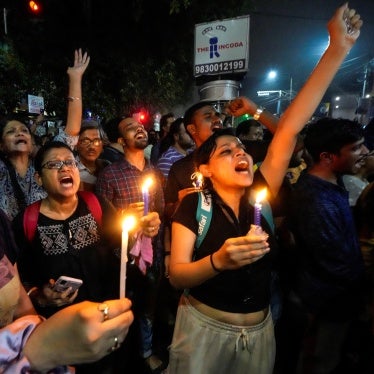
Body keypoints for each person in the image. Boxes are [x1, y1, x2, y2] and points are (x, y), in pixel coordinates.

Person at [167, 5, 363, 373]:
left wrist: (337, 48)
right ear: (205, 169)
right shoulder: (194, 207)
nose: (240, 153)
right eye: (226, 151)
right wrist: (218, 262)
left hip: (259, 332)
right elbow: (177, 275)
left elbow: (289, 129)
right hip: (204, 332)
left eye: (240, 149)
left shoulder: (262, 195)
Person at [0, 207, 134, 373]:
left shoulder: (96, 205)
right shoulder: (26, 222)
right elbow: (28, 278)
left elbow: (19, 297)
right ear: (41, 180)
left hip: (98, 329)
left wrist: (136, 238)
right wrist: (46, 347)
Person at [95, 116, 165, 372]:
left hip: (152, 254)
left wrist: (161, 247)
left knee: (148, 307)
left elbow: (160, 211)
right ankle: (116, 353)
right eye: (130, 128)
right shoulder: (110, 174)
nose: (139, 129)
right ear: (121, 141)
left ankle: (145, 351)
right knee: (122, 304)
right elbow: (103, 223)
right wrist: (127, 217)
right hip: (121, 257)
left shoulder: (154, 171)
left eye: (141, 127)